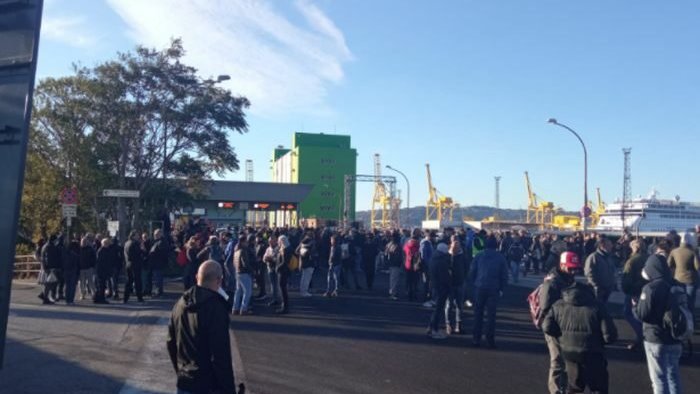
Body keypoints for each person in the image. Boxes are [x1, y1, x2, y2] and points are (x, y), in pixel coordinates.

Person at [166, 260, 242, 394]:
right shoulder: (215, 308)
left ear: (197, 277)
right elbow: (220, 355)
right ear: (219, 281)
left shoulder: (180, 304)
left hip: (184, 381)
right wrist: (228, 389)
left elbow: (171, 342)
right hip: (207, 384)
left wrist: (179, 371)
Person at [542, 268, 618, 393]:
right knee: (598, 387)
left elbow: (547, 327)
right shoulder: (597, 306)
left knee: (574, 386)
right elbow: (610, 335)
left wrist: (561, 337)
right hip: (593, 353)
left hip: (569, 353)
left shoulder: (558, 305)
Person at [635, 240, 684, 394]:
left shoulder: (650, 288)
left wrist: (635, 306)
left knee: (659, 379)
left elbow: (642, 314)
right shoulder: (676, 284)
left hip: (656, 337)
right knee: (673, 376)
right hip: (675, 336)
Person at [538, 251, 580, 394]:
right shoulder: (552, 283)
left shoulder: (568, 279)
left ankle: (562, 387)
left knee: (565, 359)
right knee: (557, 360)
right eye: (570, 268)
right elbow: (545, 307)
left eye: (575, 268)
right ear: (562, 265)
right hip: (554, 325)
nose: (573, 271)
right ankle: (555, 390)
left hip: (564, 325)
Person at [470, 236, 508, 348]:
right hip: (494, 288)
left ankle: (476, 338)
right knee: (491, 315)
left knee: (478, 314)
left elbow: (472, 271)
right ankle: (490, 339)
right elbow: (504, 275)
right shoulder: (500, 257)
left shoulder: (479, 255)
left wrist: (474, 283)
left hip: (480, 286)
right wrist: (502, 288)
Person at [621, 238, 648, 351]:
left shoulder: (632, 261)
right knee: (642, 314)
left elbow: (627, 279)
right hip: (645, 290)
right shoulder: (648, 258)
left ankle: (641, 336)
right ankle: (644, 335)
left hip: (634, 291)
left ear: (635, 248)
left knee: (629, 313)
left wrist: (626, 290)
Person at [667, 231, 699, 324]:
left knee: (679, 302)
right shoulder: (692, 252)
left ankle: (679, 321)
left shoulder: (674, 251)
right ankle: (691, 322)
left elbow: (669, 264)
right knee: (690, 304)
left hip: (678, 279)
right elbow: (697, 267)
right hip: (690, 280)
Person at [428, 242, 451, 340]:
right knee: (438, 309)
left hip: (435, 286)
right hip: (441, 288)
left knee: (436, 309)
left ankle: (431, 328)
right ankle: (434, 330)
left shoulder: (434, 258)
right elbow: (444, 277)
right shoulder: (441, 261)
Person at [584, 236, 618, 303]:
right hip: (598, 290)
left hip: (607, 289)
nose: (611, 247)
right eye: (609, 245)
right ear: (602, 246)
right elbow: (589, 273)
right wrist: (596, 286)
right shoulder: (593, 257)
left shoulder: (608, 257)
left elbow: (612, 270)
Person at [445, 235, 466, 335]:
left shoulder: (460, 256)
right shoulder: (449, 257)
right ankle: (450, 324)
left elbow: (467, 268)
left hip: (458, 282)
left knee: (457, 305)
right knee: (451, 305)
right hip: (453, 283)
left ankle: (457, 324)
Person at [232, 237, 254, 315]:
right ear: (243, 242)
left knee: (238, 291)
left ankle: (235, 308)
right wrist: (251, 271)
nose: (247, 243)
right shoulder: (243, 251)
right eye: (246, 242)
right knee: (248, 292)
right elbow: (245, 264)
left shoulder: (236, 251)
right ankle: (244, 309)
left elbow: (234, 262)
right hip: (244, 272)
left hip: (237, 272)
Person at [123, 230, 145, 304]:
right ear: (133, 236)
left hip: (128, 264)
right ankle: (139, 297)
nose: (138, 236)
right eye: (137, 235)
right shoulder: (134, 244)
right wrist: (142, 250)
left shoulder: (126, 243)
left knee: (129, 281)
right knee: (137, 281)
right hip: (135, 264)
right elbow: (137, 254)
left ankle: (125, 297)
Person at [148, 229, 169, 297]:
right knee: (157, 277)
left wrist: (153, 253)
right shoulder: (157, 242)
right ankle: (158, 291)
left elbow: (162, 253)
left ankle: (158, 292)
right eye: (154, 234)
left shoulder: (161, 242)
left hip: (158, 263)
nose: (154, 236)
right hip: (156, 263)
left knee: (158, 278)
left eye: (156, 234)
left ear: (160, 234)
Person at [403, 229, 422, 301]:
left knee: (409, 280)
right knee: (415, 281)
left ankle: (408, 293)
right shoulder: (418, 246)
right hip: (415, 265)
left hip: (408, 264)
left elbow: (404, 252)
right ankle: (415, 294)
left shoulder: (407, 245)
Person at [94, 237, 114, 304]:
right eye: (107, 243)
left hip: (103, 271)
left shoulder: (105, 250)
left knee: (102, 286)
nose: (108, 244)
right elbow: (101, 262)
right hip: (101, 271)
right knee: (101, 286)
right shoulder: (101, 251)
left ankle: (98, 298)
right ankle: (101, 298)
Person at [263, 236, 281, 306]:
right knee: (272, 285)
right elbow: (264, 258)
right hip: (270, 268)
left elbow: (279, 259)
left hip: (277, 268)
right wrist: (266, 259)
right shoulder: (268, 249)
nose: (270, 243)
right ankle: (274, 299)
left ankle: (280, 299)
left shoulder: (278, 249)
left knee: (278, 285)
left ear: (275, 241)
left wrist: (272, 258)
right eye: (269, 241)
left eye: (272, 241)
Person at [385, 232, 403, 300]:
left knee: (392, 279)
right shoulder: (397, 245)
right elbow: (399, 256)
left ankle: (392, 291)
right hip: (396, 264)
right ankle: (393, 293)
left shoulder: (389, 244)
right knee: (395, 279)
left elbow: (386, 253)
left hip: (390, 263)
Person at [78, 234, 96, 301]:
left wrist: (92, 266)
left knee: (91, 282)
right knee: (81, 283)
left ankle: (94, 294)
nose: (83, 243)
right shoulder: (79, 249)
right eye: (82, 242)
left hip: (89, 268)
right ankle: (82, 294)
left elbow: (94, 258)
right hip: (81, 268)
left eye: (85, 242)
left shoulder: (90, 249)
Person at [62, 240, 80, 305]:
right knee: (72, 286)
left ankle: (67, 300)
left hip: (66, 271)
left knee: (67, 286)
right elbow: (78, 264)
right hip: (73, 271)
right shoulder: (76, 255)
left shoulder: (64, 254)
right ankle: (71, 300)